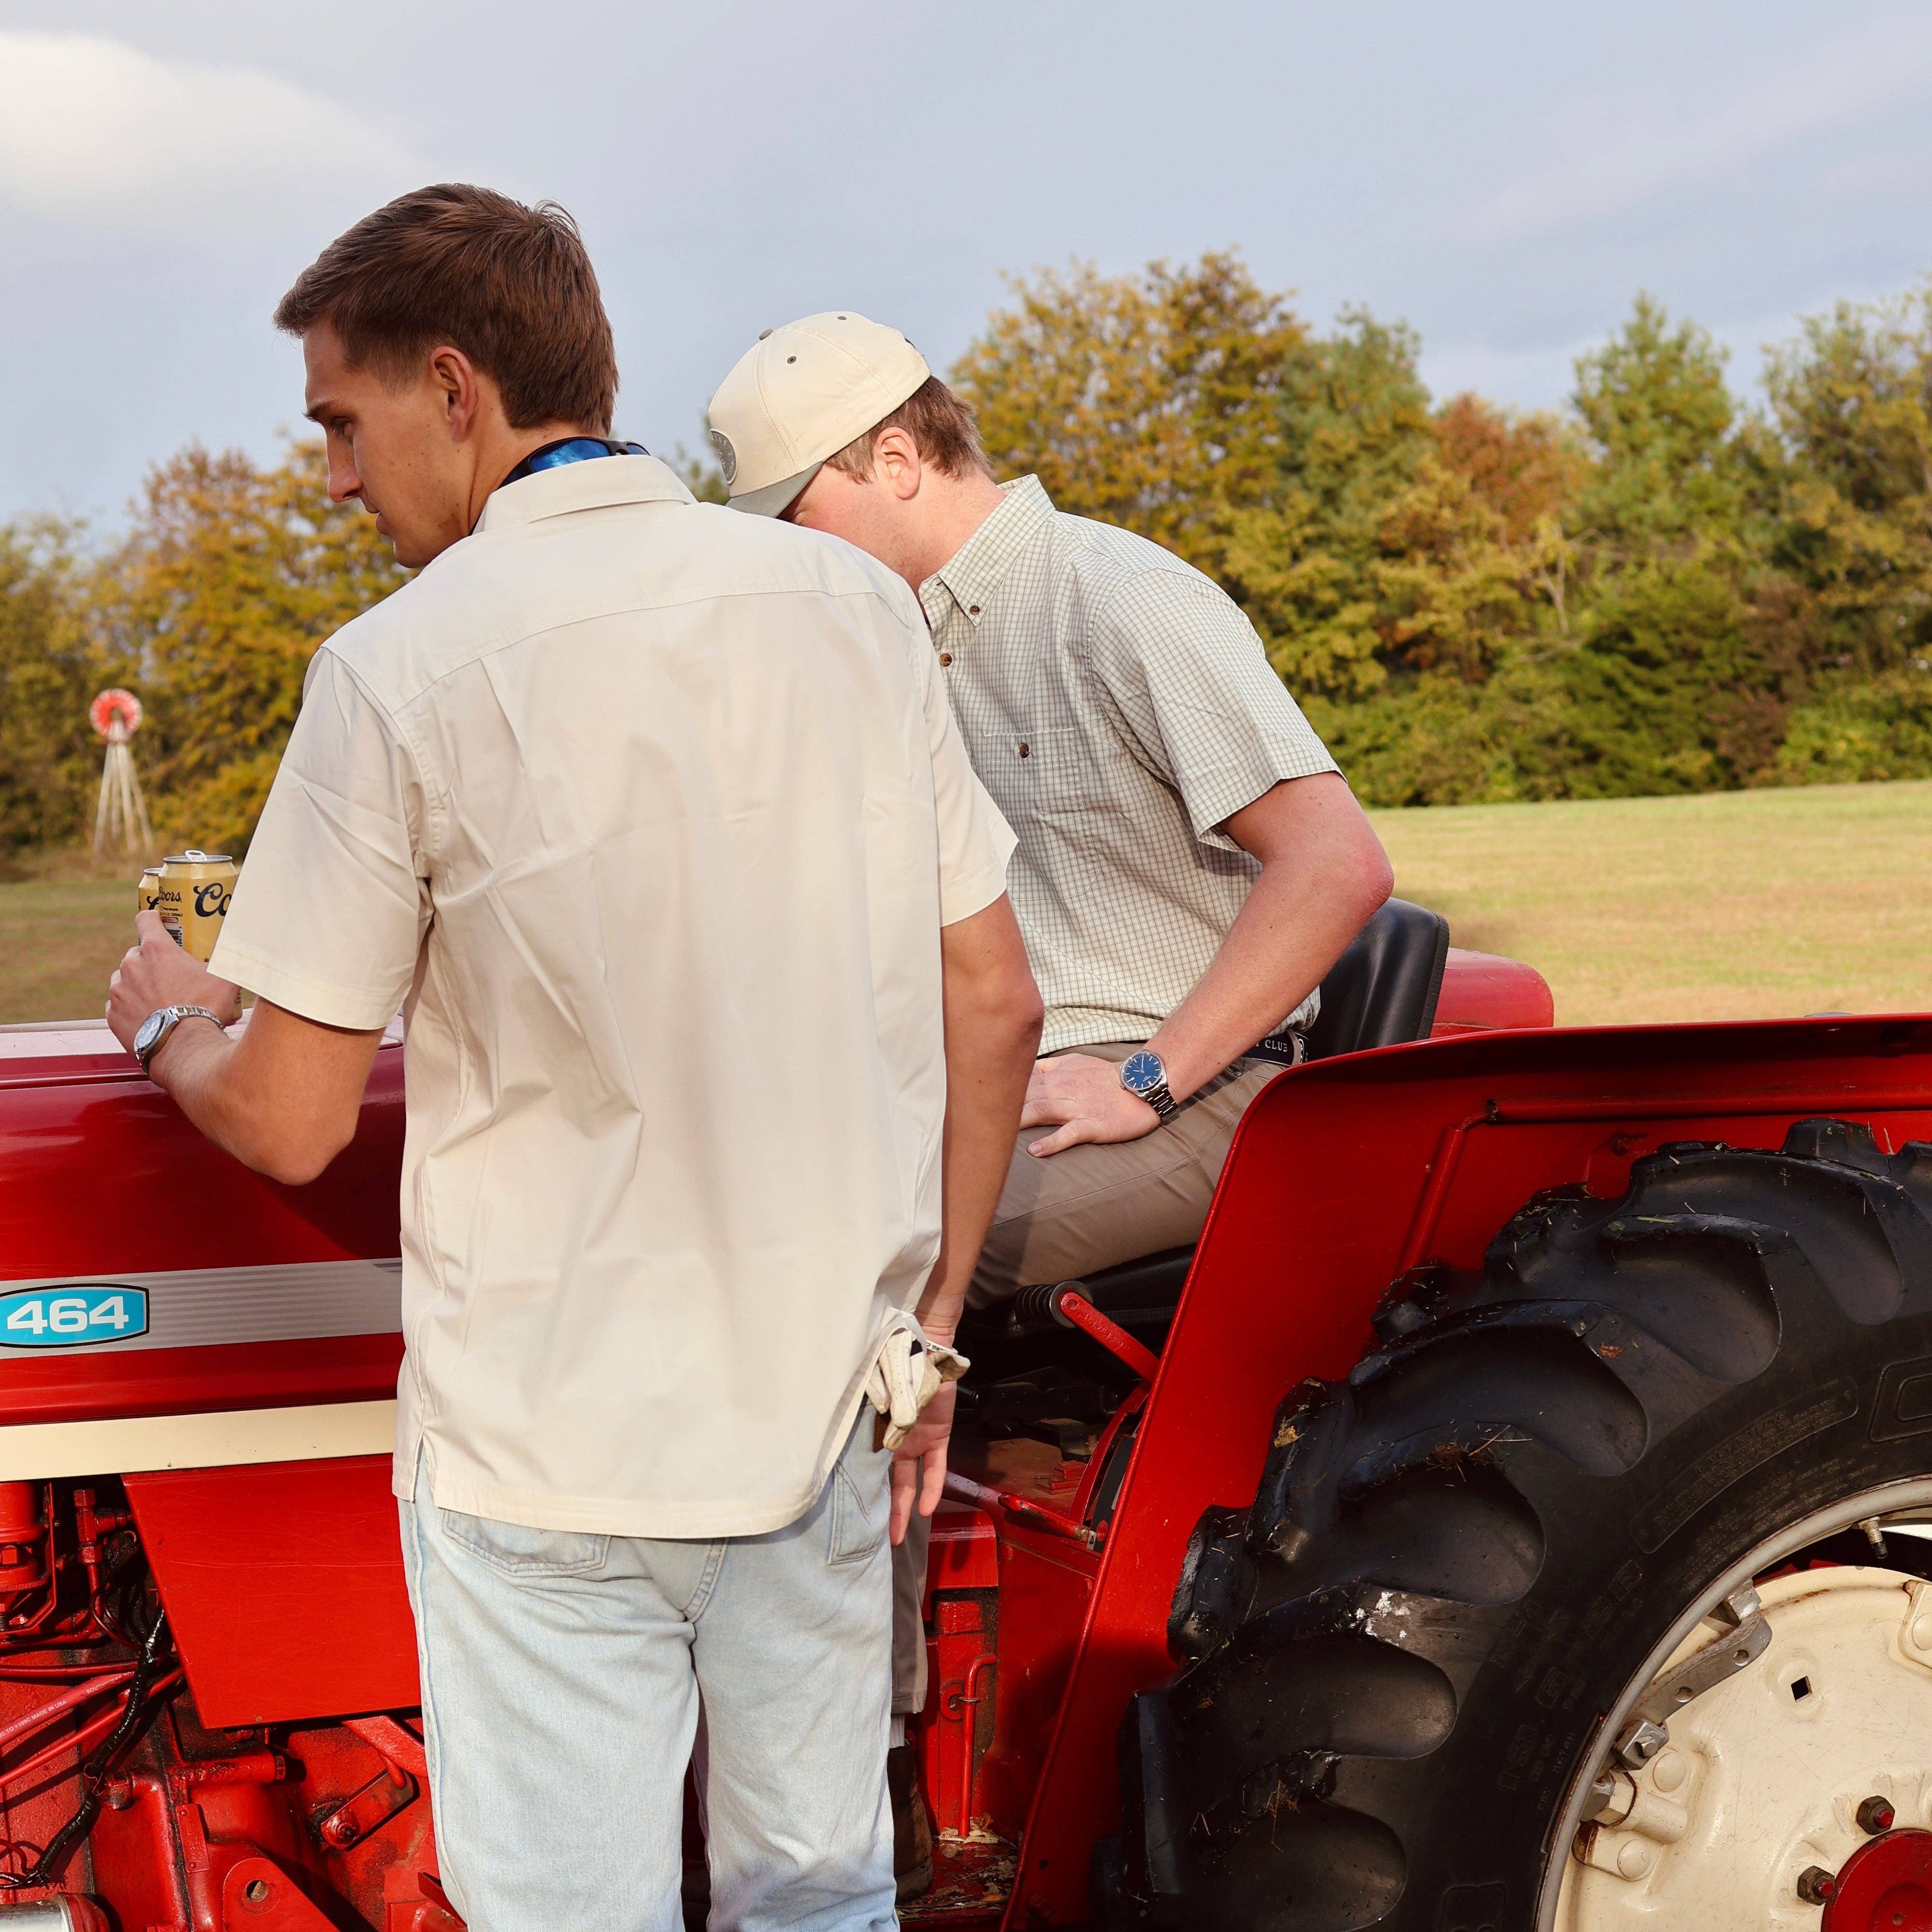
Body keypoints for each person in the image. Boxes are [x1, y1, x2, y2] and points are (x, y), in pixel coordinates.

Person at [105, 191, 1042, 1932]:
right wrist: (924, 1342)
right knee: (819, 1908)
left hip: (551, 1452)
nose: (329, 473)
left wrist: (166, 1021)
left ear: (454, 389)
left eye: (338, 420)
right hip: (825, 1407)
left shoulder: (395, 670)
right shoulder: (850, 612)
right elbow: (994, 1003)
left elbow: (298, 1118)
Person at [708, 312, 1394, 1889]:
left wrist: (1153, 1072)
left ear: (893, 458)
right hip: (1021, 1091)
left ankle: (844, 1803)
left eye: (798, 514)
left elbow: (1338, 863)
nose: (793, 559)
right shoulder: (908, 641)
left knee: (855, 1294)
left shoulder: (1117, 597)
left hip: (1196, 1099)